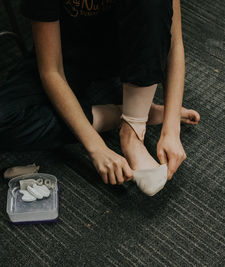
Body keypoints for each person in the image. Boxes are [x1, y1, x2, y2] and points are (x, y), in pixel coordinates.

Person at [0, 0, 200, 186]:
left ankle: (132, 129)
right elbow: (51, 71)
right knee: (5, 122)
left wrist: (172, 129)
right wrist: (96, 148)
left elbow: (173, 45)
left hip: (129, 48)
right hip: (68, 51)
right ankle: (120, 115)